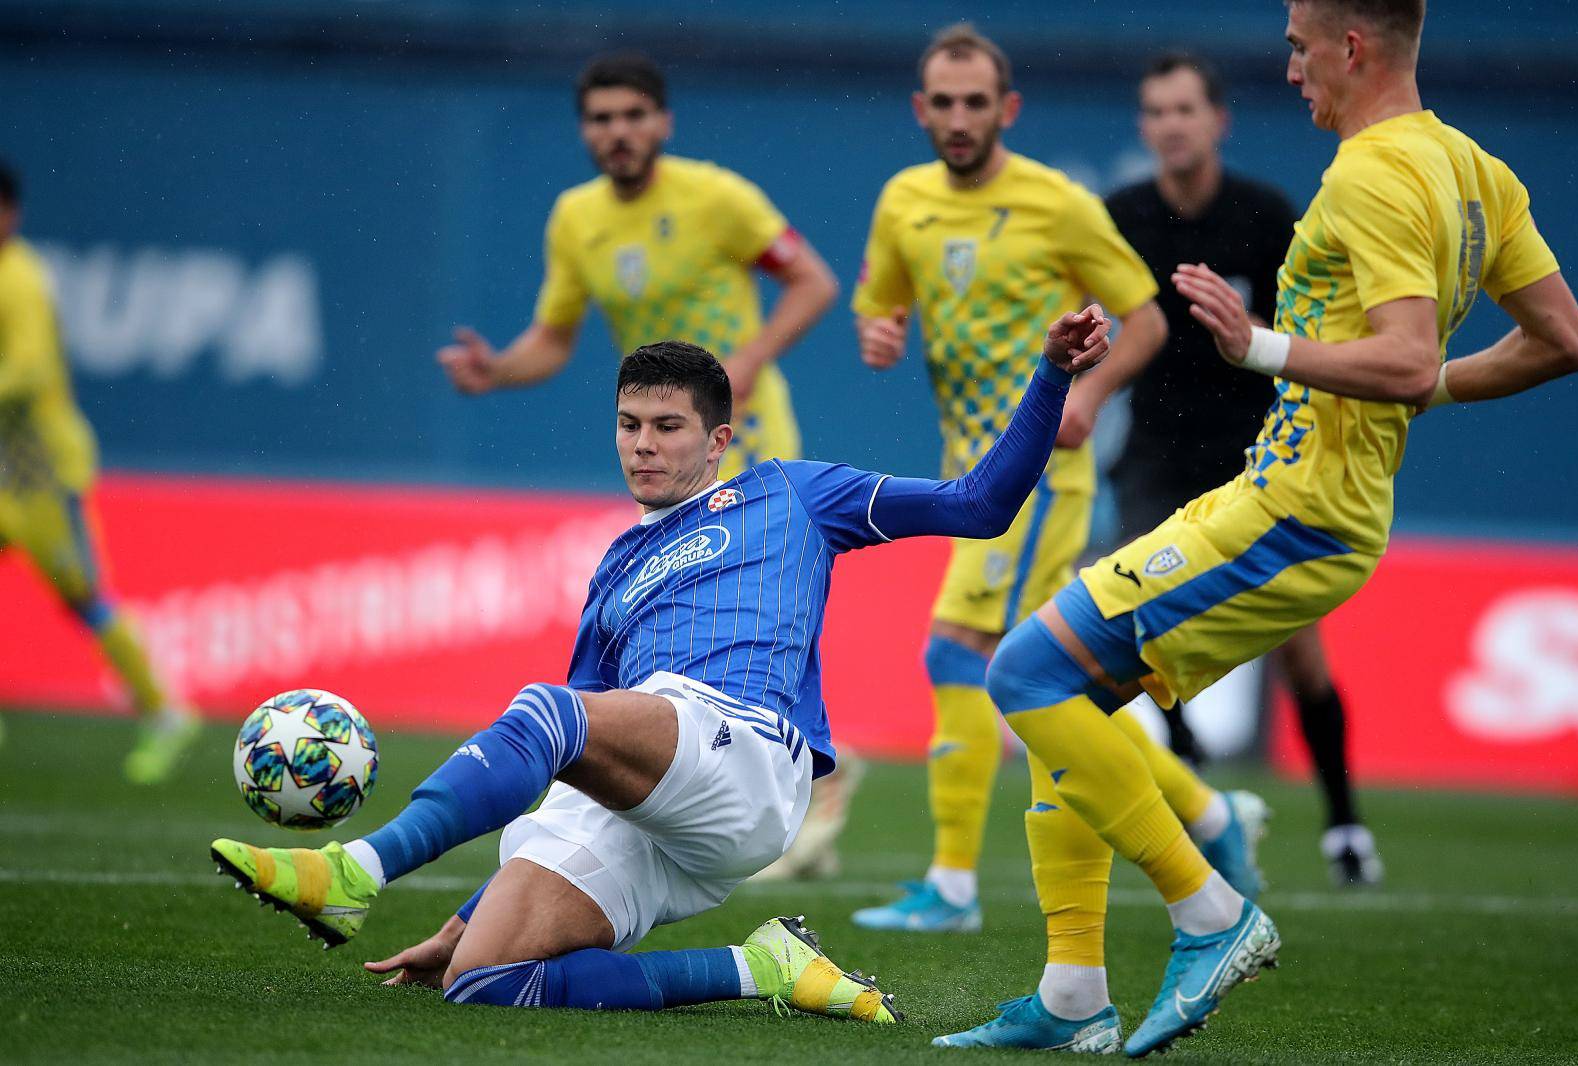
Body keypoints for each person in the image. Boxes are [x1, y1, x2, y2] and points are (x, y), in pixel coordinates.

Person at [958, 0, 1578, 1056]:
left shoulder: (1370, 171)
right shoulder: (1477, 171)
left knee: (1025, 675)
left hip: (1297, 509)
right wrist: (1425, 391)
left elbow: (1398, 351)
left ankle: (1210, 908)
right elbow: (1560, 339)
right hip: (1296, 497)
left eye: (1299, 45)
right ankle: (1073, 991)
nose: (1289, 67)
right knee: (1070, 693)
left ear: (1352, 45)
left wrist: (1260, 348)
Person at [210, 309, 1116, 1020]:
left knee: (552, 707)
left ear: (719, 441)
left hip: (749, 753)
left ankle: (356, 872)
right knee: (487, 981)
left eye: (669, 426)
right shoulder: (614, 569)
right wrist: (463, 924)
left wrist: (1052, 375)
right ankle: (760, 966)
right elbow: (572, 768)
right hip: (666, 799)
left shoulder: (791, 492)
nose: (644, 443)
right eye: (629, 424)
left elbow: (982, 503)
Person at [849, 25, 1261, 953]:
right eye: (942, 103)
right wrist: (878, 328)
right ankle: (1205, 814)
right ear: (921, 110)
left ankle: (953, 883)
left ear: (1008, 108)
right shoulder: (902, 200)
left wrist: (1092, 394)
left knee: (960, 652)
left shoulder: (1056, 205)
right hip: (967, 481)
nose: (958, 119)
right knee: (1051, 689)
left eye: (974, 102)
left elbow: (1148, 317)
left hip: (1037, 477)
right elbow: (884, 297)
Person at [437, 51, 860, 883]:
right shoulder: (576, 218)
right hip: (662, 443)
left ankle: (807, 775)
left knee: (768, 618)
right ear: (585, 131)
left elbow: (813, 283)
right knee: (678, 620)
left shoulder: (717, 198)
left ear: (662, 123)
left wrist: (743, 366)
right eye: (601, 119)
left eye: (633, 115)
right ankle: (706, 781)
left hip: (746, 439)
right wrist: (498, 371)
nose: (618, 132)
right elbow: (552, 339)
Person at [1106, 51, 1382, 885]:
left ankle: (1343, 826)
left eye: (1184, 109)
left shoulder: (1263, 216)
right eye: (1155, 111)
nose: (1170, 125)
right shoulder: (1121, 216)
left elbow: (1314, 332)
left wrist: (1249, 329)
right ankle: (1194, 781)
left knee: (1300, 649)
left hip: (1253, 451)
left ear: (1218, 121)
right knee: (1130, 622)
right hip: (1154, 453)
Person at [0, 159, 197, 784]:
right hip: (5, 469)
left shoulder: (20, 279)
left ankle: (165, 712)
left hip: (42, 477)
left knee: (84, 597)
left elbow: (27, 373)